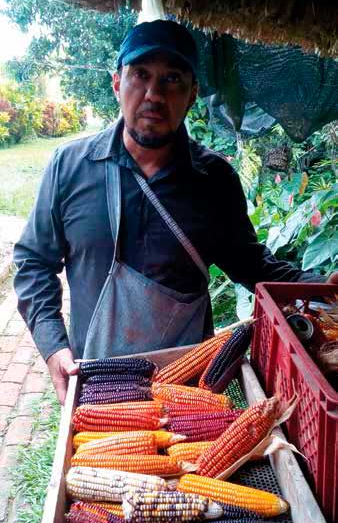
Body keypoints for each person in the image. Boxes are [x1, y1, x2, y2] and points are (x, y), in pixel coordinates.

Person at [13, 20, 337, 404]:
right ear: (117, 82)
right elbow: (34, 262)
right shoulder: (70, 166)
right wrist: (54, 348)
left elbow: (252, 266)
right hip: (96, 387)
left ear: (193, 93)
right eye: (140, 75)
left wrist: (319, 287)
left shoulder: (214, 180)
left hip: (189, 394)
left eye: (172, 79)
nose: (154, 94)